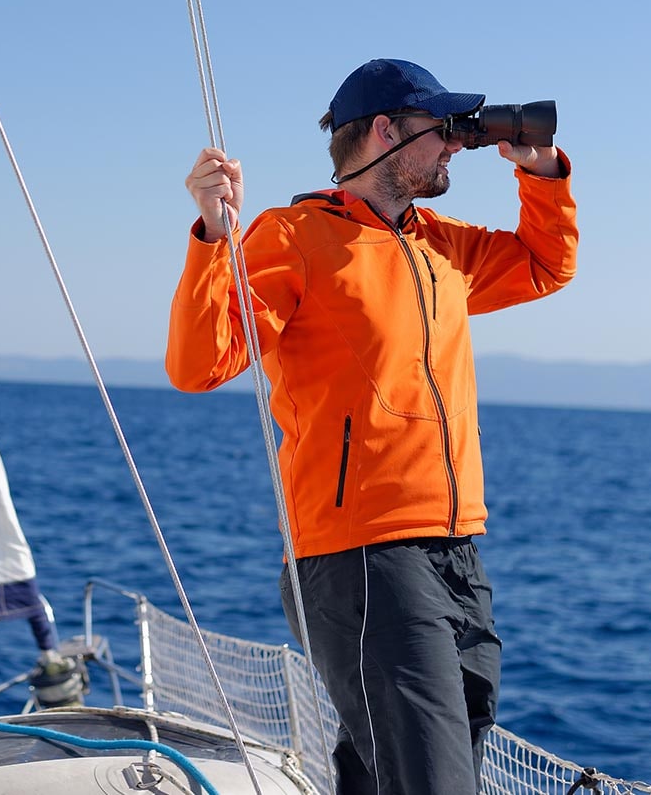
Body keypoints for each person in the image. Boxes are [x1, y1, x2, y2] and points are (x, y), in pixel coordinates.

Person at [165, 58, 577, 795]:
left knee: (398, 771)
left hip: (457, 552)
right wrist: (211, 236)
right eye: (438, 130)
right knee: (432, 782)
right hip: (361, 556)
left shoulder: (442, 246)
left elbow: (546, 265)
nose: (454, 145)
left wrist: (540, 172)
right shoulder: (292, 236)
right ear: (384, 131)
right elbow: (201, 363)